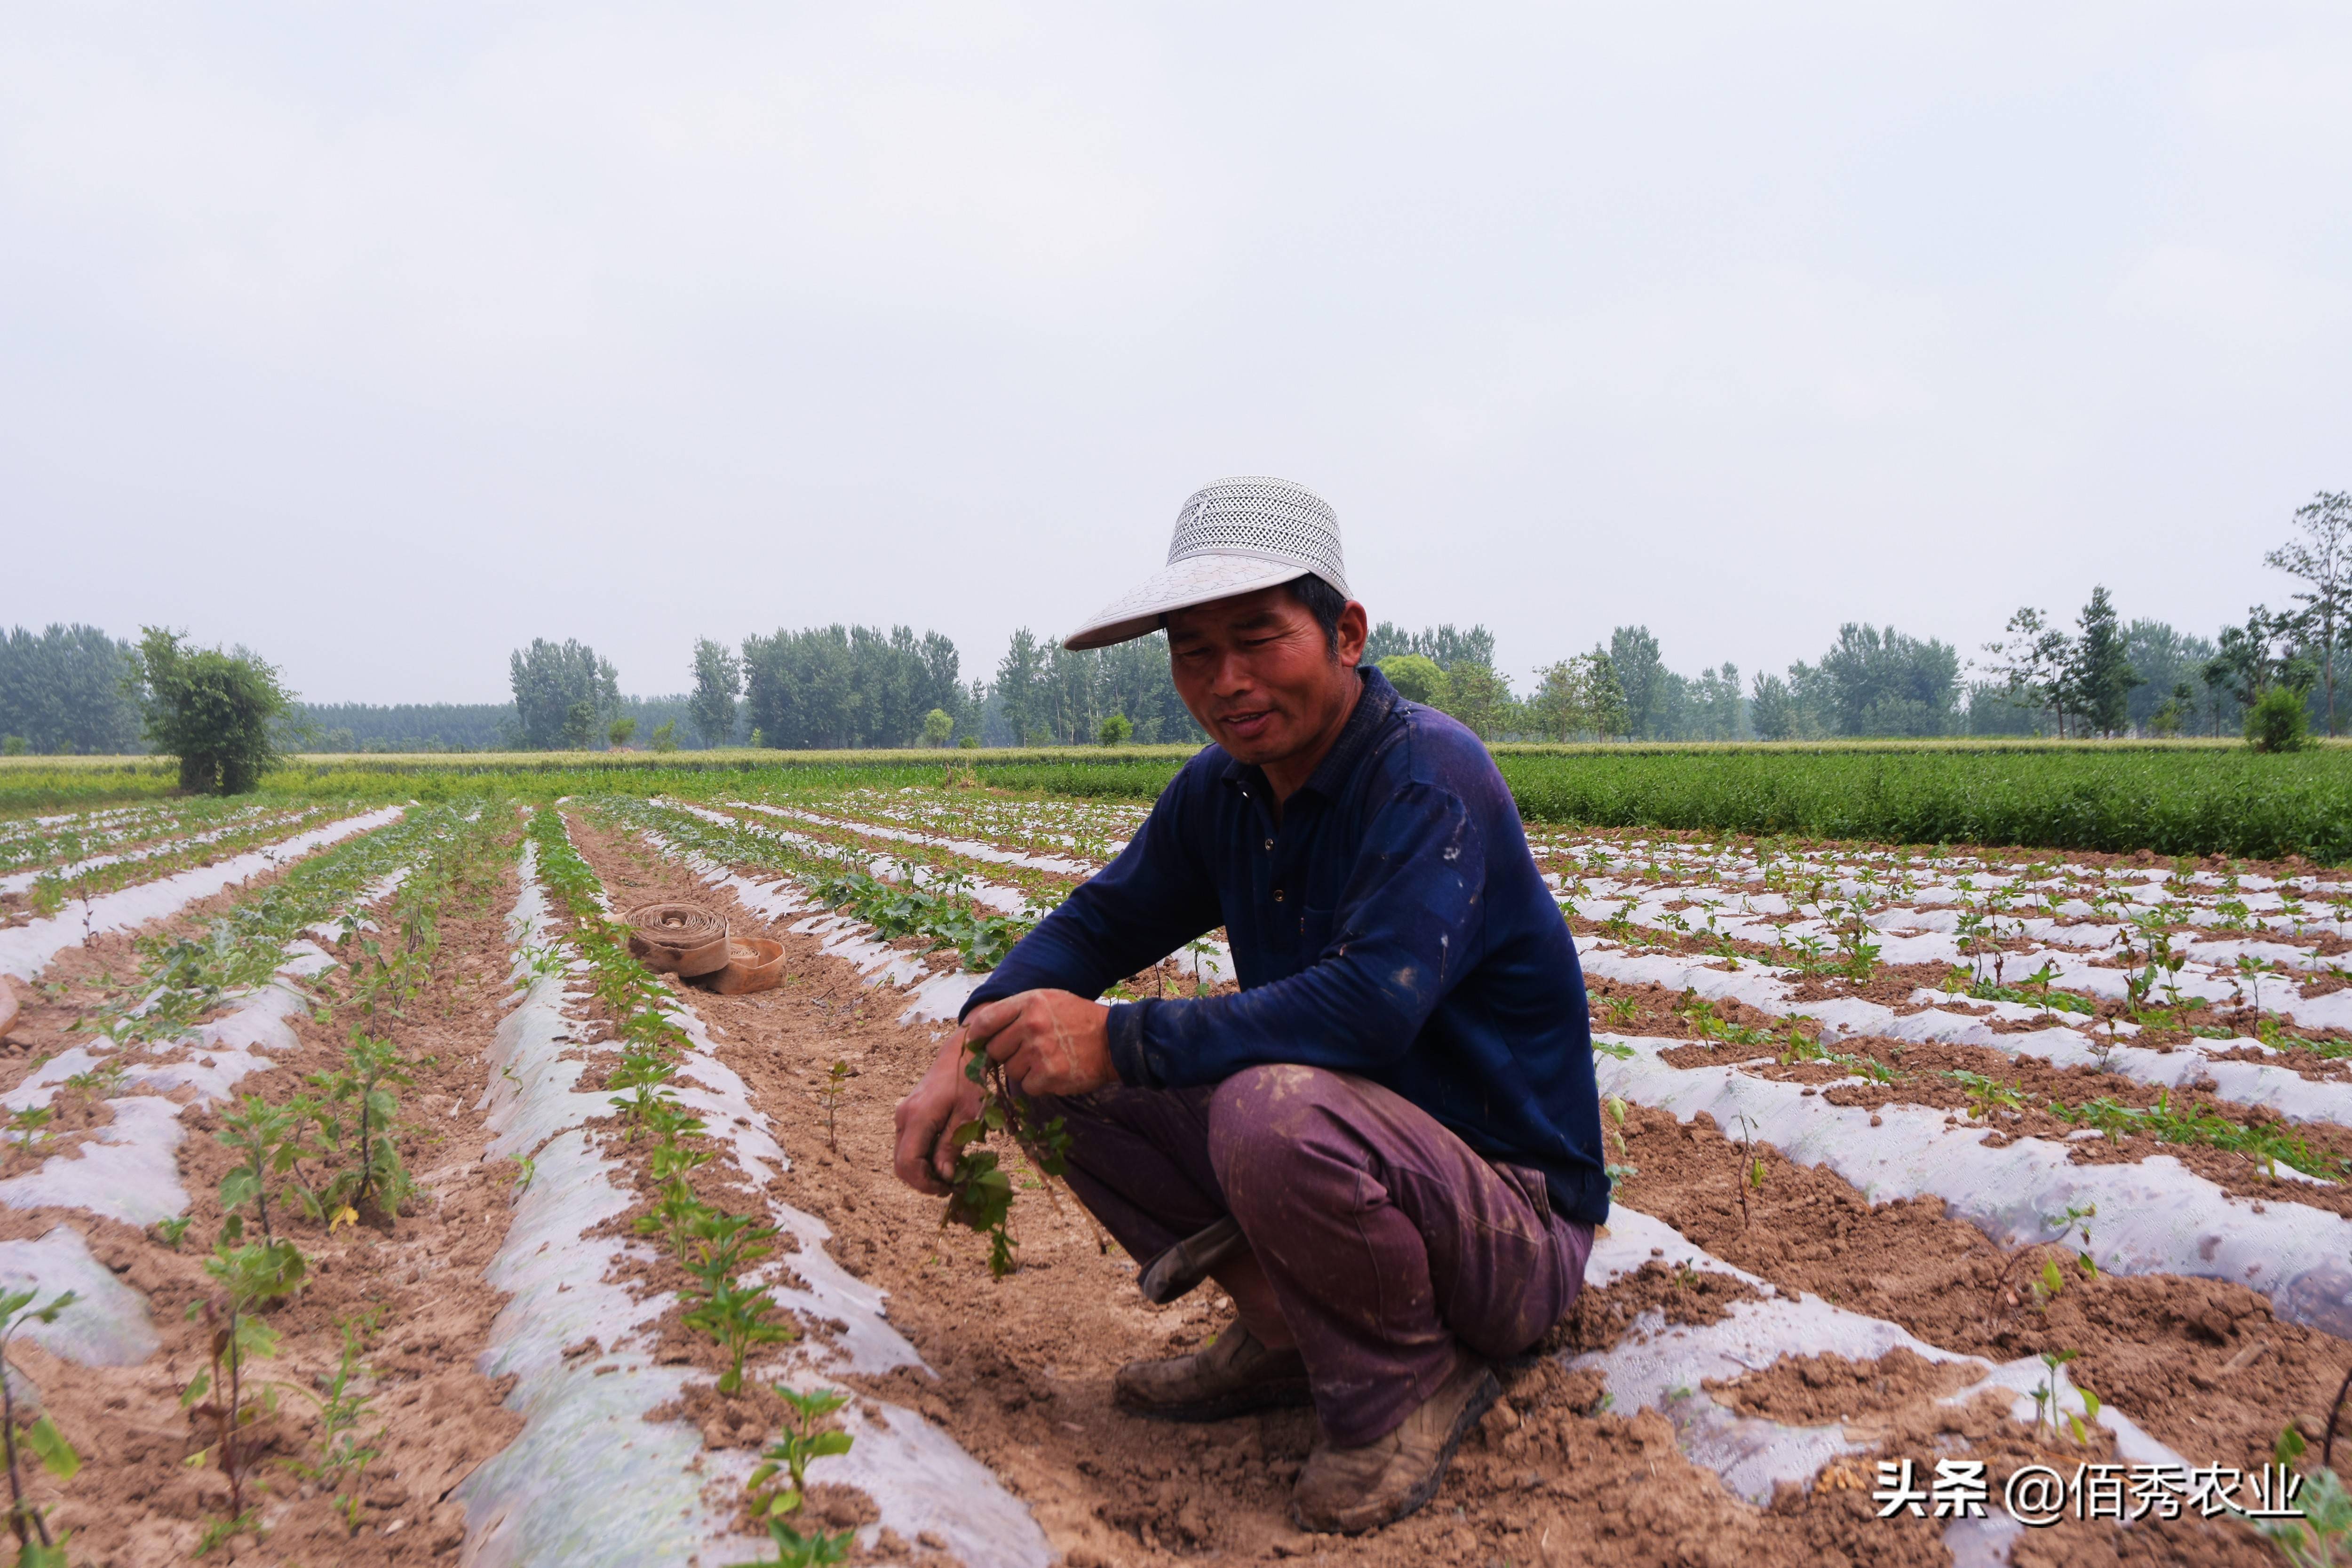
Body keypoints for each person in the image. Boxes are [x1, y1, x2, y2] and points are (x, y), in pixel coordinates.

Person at [891, 477, 1606, 1534]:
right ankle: (1287, 1334)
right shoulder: (1221, 790)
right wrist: (976, 1031)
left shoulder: (1427, 777)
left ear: (1346, 632)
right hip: (1366, 1158)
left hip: (1508, 1220)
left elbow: (1371, 1009)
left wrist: (1123, 1036)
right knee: (1041, 1050)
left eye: (1259, 638)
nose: (1224, 681)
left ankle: (1409, 1373)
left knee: (1264, 1106)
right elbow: (1098, 925)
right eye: (1192, 652)